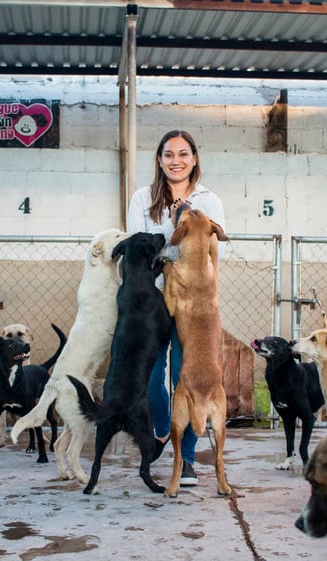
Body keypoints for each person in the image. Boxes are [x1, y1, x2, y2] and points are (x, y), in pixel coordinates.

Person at [126, 130, 226, 486]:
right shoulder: (142, 198)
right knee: (151, 373)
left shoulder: (209, 201)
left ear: (194, 159)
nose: (176, 160)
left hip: (195, 303)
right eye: (169, 154)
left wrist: (175, 248)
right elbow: (139, 250)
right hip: (154, 298)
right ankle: (163, 429)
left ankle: (185, 460)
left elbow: (214, 256)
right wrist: (173, 233)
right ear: (159, 160)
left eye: (184, 154)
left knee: (190, 374)